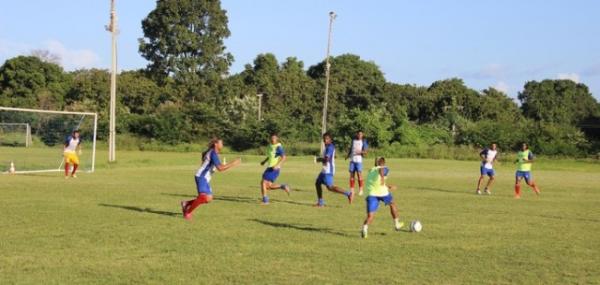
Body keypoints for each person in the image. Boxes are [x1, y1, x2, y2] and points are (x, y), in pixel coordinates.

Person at [180, 137, 241, 220]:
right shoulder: (213, 153)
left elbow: (209, 162)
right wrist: (233, 163)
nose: (222, 145)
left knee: (208, 198)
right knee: (202, 197)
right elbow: (220, 168)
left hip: (205, 178)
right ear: (216, 144)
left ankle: (186, 203)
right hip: (201, 177)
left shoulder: (212, 152)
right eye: (221, 143)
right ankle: (188, 212)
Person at [361, 157, 403, 239]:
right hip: (382, 193)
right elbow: (381, 171)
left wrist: (387, 186)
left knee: (370, 215)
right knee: (392, 203)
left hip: (370, 193)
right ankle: (397, 224)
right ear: (383, 163)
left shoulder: (371, 170)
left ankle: (365, 228)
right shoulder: (384, 168)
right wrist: (383, 177)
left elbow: (376, 182)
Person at [315, 132, 354, 207]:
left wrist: (318, 159)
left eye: (327, 139)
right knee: (317, 183)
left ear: (330, 140)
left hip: (328, 171)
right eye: (324, 138)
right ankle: (320, 202)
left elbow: (326, 159)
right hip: (324, 170)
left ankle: (348, 194)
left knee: (330, 187)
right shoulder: (328, 147)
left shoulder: (330, 147)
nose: (325, 140)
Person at [259, 133, 291, 204]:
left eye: (274, 138)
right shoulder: (270, 146)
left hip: (274, 169)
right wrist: (264, 161)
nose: (272, 139)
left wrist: (277, 165)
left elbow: (284, 157)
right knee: (268, 186)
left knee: (263, 183)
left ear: (277, 139)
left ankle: (265, 201)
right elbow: (271, 156)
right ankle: (283, 186)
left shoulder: (278, 147)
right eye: (271, 138)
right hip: (269, 167)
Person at [346, 130, 368, 196]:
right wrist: (348, 155)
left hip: (359, 160)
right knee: (352, 175)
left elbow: (366, 151)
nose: (359, 135)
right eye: (358, 134)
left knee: (359, 174)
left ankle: (361, 190)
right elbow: (351, 149)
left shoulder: (363, 141)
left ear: (362, 135)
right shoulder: (353, 140)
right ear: (357, 134)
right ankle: (352, 190)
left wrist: (360, 152)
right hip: (352, 160)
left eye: (361, 134)